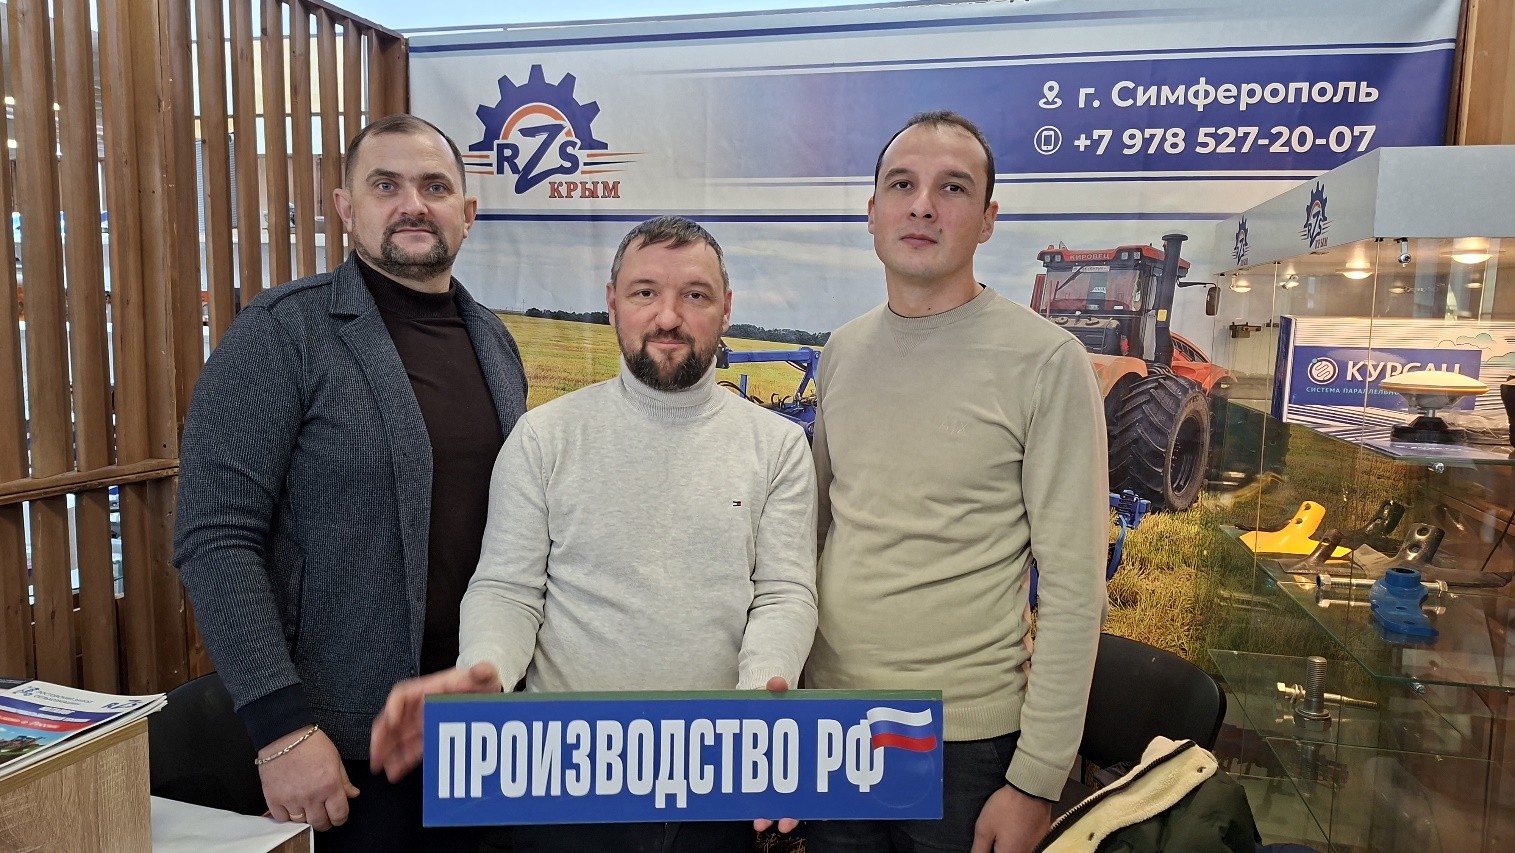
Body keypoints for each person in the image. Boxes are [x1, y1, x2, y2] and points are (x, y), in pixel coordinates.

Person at [367, 215, 818, 853]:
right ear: (612, 304)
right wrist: (486, 669)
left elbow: (783, 593)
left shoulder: (777, 446)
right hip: (567, 779)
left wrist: (761, 696)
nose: (668, 317)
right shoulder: (544, 437)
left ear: (726, 309)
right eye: (644, 292)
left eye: (695, 295)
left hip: (717, 777)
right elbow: (507, 588)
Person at [173, 114, 528, 852]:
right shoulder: (282, 332)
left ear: (467, 211)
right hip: (341, 751)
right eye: (385, 185)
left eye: (434, 187)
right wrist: (281, 729)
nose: (412, 205)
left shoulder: (494, 340)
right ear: (345, 207)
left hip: (475, 735)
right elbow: (215, 536)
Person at [804, 111, 1109, 853]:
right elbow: (815, 533)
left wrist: (1035, 779)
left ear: (987, 220)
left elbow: (1074, 584)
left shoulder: (1046, 361)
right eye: (901, 185)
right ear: (871, 211)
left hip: (964, 745)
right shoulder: (842, 351)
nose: (921, 206)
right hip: (834, 728)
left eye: (952, 187)